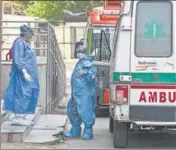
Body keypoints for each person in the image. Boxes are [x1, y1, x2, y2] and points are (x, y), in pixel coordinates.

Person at [3, 25, 40, 126]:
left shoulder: (25, 43)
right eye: (31, 34)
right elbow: (18, 59)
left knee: (29, 92)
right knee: (22, 93)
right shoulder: (19, 43)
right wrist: (24, 71)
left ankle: (22, 116)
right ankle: (18, 117)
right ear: (26, 34)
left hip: (29, 74)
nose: (32, 35)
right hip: (22, 75)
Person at [63, 46, 97, 140]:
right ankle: (75, 131)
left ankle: (88, 132)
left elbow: (92, 75)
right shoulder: (80, 62)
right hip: (76, 93)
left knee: (85, 111)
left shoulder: (87, 63)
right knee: (72, 110)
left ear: (85, 53)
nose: (79, 53)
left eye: (80, 52)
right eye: (78, 51)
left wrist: (85, 72)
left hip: (84, 94)